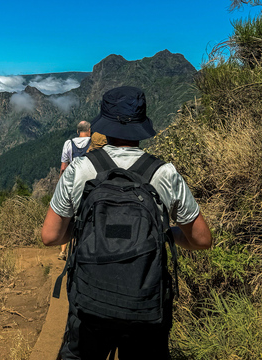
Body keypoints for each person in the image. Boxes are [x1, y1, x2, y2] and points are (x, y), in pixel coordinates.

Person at [41, 86, 212, 359]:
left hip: (90, 304)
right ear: (141, 126)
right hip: (145, 306)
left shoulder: (80, 169)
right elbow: (202, 240)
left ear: (104, 125)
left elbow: (50, 236)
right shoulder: (164, 173)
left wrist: (88, 228)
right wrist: (165, 231)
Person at [58, 120, 92, 260]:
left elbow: (63, 167)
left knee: (68, 216)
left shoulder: (68, 144)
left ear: (78, 131)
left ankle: (63, 250)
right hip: (89, 184)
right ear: (89, 130)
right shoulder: (94, 143)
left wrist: (62, 184)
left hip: (72, 182)